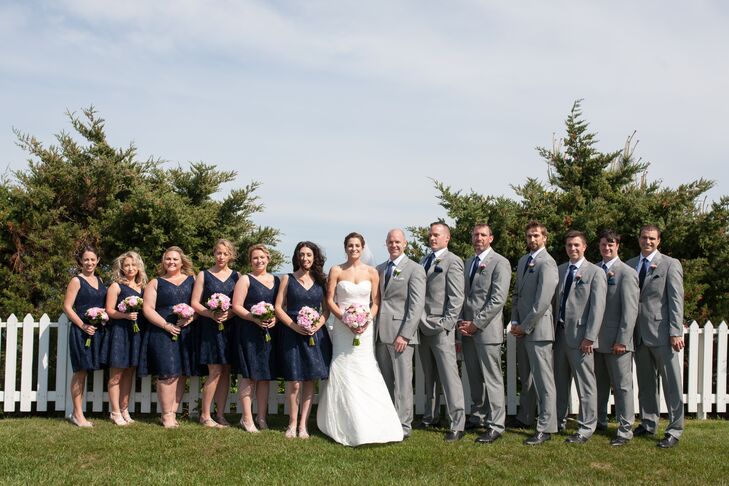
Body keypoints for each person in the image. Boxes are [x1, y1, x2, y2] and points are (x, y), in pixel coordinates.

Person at [317, 232, 404, 446]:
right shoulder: (336, 270)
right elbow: (330, 299)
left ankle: (374, 422)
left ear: (363, 248)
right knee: (342, 366)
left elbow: (375, 302)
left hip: (364, 327)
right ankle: (341, 422)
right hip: (342, 326)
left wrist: (365, 321)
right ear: (345, 247)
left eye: (357, 245)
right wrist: (345, 318)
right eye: (350, 245)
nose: (353, 249)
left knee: (365, 367)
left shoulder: (373, 272)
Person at [627, 225, 685, 448]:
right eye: (643, 237)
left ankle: (674, 429)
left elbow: (676, 300)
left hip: (662, 334)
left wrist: (675, 331)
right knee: (645, 383)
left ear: (658, 241)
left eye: (651, 238)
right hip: (638, 334)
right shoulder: (631, 264)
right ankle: (649, 422)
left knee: (672, 384)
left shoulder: (670, 264)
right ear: (638, 239)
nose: (647, 241)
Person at [457, 224, 511, 444]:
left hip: (486, 330)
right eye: (475, 235)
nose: (478, 238)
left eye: (482, 235)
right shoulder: (469, 262)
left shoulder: (500, 262)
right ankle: (478, 415)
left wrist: (476, 324)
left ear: (491, 238)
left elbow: (498, 299)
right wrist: (463, 323)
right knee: (474, 377)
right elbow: (464, 296)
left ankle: (496, 425)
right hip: (467, 329)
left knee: (492, 378)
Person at [274, 241, 332, 439]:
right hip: (292, 334)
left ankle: (303, 425)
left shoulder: (321, 281)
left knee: (309, 380)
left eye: (309, 255)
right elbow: (278, 307)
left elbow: (326, 309)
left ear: (314, 257)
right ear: (297, 257)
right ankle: (291, 423)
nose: (305, 258)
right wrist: (293, 326)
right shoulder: (287, 279)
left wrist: (318, 324)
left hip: (315, 335)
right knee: (294, 381)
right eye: (302, 255)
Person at [553, 230, 606, 444]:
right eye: (569, 245)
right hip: (560, 334)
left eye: (576, 245)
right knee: (559, 381)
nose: (572, 249)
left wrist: (590, 337)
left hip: (582, 337)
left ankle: (586, 427)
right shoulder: (561, 270)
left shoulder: (595, 272)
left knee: (585, 384)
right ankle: (558, 421)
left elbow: (597, 308)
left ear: (584, 247)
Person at [509, 221, 559, 445]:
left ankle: (546, 427)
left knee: (543, 380)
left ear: (545, 238)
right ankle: (525, 417)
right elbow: (517, 294)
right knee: (526, 378)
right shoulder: (523, 261)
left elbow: (542, 302)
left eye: (536, 236)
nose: (532, 239)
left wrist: (525, 326)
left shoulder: (547, 263)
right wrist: (515, 321)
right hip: (522, 329)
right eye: (529, 236)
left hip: (539, 331)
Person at [417, 222, 467, 442]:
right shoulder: (423, 261)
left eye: (437, 235)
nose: (432, 238)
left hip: (440, 327)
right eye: (430, 235)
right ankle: (430, 416)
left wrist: (446, 324)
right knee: (430, 377)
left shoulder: (453, 261)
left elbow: (456, 298)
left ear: (447, 238)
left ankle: (458, 423)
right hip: (422, 325)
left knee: (449, 377)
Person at [375, 228, 426, 438]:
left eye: (397, 242)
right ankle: (388, 421)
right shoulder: (379, 269)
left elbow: (416, 305)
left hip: (401, 336)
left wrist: (405, 334)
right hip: (380, 334)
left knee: (403, 383)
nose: (394, 245)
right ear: (386, 244)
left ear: (405, 243)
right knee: (385, 381)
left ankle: (404, 426)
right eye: (390, 242)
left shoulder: (415, 269)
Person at [140, 246, 197, 428]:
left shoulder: (192, 280)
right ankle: (166, 415)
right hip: (162, 331)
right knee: (167, 373)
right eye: (168, 259)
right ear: (163, 262)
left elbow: (197, 304)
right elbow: (147, 308)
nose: (171, 262)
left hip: (186, 331)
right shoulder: (156, 283)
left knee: (180, 374)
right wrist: (165, 325)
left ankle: (173, 412)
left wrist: (191, 318)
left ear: (182, 262)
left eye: (175, 259)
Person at [594, 230, 639, 446]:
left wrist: (622, 339)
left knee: (622, 386)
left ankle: (624, 429)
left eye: (610, 244)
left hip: (617, 341)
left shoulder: (627, 273)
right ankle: (599, 421)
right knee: (599, 384)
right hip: (595, 340)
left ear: (618, 246)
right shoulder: (594, 270)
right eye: (603, 244)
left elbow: (630, 311)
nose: (606, 248)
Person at [231, 244, 280, 433]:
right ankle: (246, 418)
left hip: (269, 333)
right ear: (250, 261)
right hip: (249, 332)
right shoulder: (245, 279)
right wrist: (255, 318)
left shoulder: (276, 279)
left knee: (265, 376)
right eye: (255, 258)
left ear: (268, 258)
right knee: (249, 375)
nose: (259, 261)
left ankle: (261, 417)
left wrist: (274, 318)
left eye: (262, 257)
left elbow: (279, 305)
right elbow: (237, 306)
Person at [191, 239, 238, 428]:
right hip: (210, 328)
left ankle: (220, 414)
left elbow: (239, 303)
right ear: (214, 254)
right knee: (215, 370)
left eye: (225, 253)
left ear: (231, 256)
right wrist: (211, 314)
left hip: (230, 327)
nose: (221, 257)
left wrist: (230, 313)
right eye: (218, 253)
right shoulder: (204, 275)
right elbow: (195, 302)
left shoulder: (237, 276)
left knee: (226, 370)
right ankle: (205, 415)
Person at [62, 244, 107, 427]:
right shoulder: (76, 281)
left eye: (92, 259)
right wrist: (82, 325)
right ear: (81, 261)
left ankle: (77, 412)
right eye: (86, 259)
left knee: (87, 371)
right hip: (82, 331)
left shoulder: (100, 280)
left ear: (98, 261)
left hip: (97, 331)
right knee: (80, 371)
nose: (89, 263)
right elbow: (66, 307)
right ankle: (78, 414)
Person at [101, 251, 147, 425]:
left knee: (129, 373)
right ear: (121, 267)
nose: (130, 268)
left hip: (136, 334)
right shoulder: (116, 286)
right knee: (116, 374)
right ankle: (114, 412)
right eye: (127, 265)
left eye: (133, 265)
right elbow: (110, 311)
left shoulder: (142, 287)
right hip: (119, 332)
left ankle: (124, 409)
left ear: (138, 267)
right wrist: (125, 316)